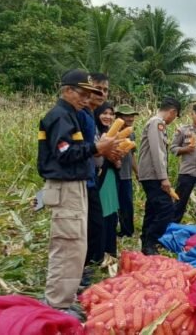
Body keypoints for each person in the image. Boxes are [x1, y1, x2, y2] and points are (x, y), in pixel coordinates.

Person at [38, 69, 118, 315]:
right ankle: (56, 303)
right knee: (67, 245)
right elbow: (64, 153)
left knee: (76, 246)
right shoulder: (60, 116)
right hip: (65, 187)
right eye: (82, 94)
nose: (86, 99)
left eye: (88, 94)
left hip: (76, 186)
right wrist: (96, 148)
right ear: (67, 90)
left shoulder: (71, 115)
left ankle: (66, 297)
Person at [79, 72, 114, 285]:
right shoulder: (80, 115)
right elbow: (79, 150)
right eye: (97, 89)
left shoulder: (90, 116)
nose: (101, 93)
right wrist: (101, 149)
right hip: (80, 181)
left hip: (91, 178)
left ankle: (87, 267)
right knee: (86, 227)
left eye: (105, 90)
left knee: (94, 225)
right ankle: (80, 271)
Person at [138, 97, 180, 255]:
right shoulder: (157, 123)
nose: (173, 119)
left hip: (150, 174)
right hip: (153, 175)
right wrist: (163, 177)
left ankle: (146, 242)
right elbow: (157, 152)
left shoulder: (154, 123)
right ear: (172, 112)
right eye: (175, 116)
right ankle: (151, 241)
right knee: (166, 209)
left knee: (152, 209)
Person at [93, 103, 120, 258]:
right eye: (104, 113)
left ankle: (110, 248)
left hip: (110, 176)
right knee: (101, 212)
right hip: (99, 177)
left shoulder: (110, 134)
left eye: (111, 114)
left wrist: (117, 160)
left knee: (111, 212)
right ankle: (99, 250)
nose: (108, 117)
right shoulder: (94, 132)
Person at [114, 104, 138, 237]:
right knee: (113, 205)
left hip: (126, 175)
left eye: (132, 116)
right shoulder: (112, 133)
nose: (130, 118)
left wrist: (137, 172)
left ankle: (127, 231)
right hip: (114, 174)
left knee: (127, 204)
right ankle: (111, 230)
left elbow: (132, 154)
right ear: (118, 117)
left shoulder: (131, 133)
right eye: (127, 116)